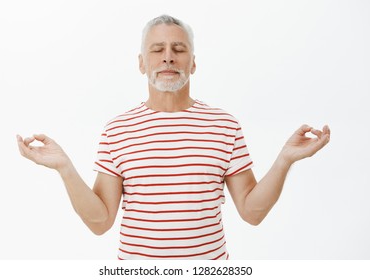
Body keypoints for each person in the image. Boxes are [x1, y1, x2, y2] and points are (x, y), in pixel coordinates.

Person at [16, 15, 330, 260]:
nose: (168, 57)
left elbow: (252, 212)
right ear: (141, 63)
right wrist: (65, 168)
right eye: (157, 49)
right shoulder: (117, 129)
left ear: (193, 62)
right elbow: (100, 222)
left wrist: (285, 159)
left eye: (179, 49)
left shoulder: (224, 125)